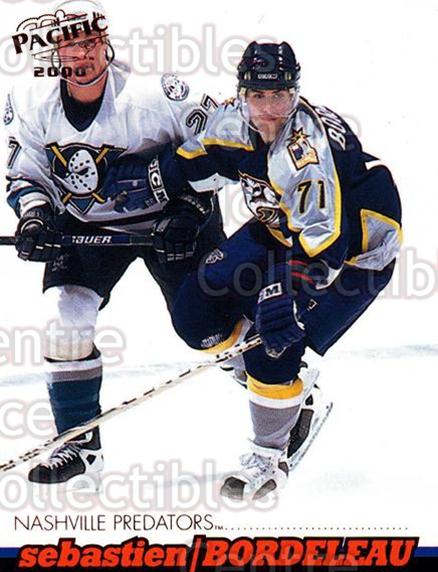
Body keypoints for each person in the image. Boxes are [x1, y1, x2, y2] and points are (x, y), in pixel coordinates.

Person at [101, 41, 402, 501]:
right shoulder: (233, 121)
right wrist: (144, 182)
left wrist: (287, 293)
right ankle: (289, 393)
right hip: (280, 226)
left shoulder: (304, 152)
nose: (268, 110)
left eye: (279, 95)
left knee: (274, 340)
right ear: (242, 93)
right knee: (195, 314)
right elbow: (196, 162)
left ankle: (269, 455)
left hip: (355, 252)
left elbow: (325, 244)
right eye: (258, 96)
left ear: (295, 93)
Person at [4, 0, 225, 490]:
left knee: (211, 330)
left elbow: (225, 143)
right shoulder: (32, 103)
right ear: (54, 54)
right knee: (64, 320)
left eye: (89, 43)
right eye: (69, 46)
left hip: (171, 224)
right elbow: (27, 175)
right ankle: (80, 446)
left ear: (105, 44)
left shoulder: (152, 95)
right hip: (89, 224)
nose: (80, 54)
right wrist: (35, 215)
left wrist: (191, 209)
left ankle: (284, 394)